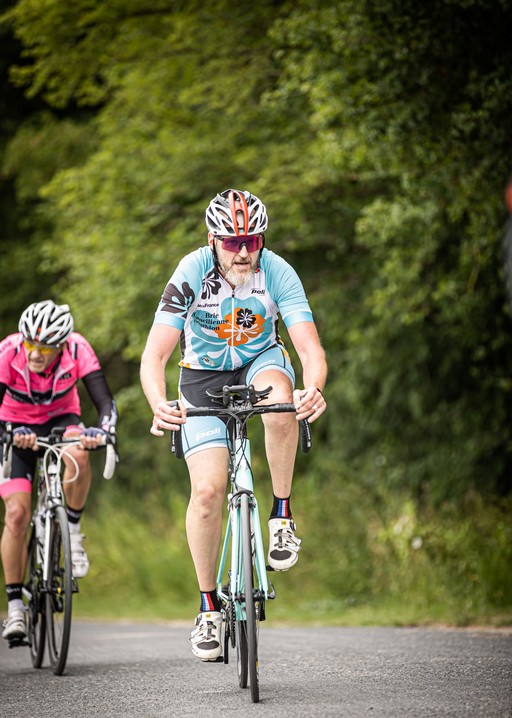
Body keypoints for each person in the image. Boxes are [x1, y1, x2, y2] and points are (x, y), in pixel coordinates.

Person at [140, 188, 327, 661]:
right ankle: (208, 607)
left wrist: (313, 387)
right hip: (201, 377)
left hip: (259, 362)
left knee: (282, 402)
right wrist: (158, 402)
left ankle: (281, 514)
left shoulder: (277, 271)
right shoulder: (191, 271)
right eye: (232, 242)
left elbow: (309, 349)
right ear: (212, 240)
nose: (243, 252)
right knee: (207, 492)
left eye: (252, 241)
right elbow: (155, 355)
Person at [0, 300, 117, 642]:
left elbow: (105, 402)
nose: (35, 354)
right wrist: (9, 433)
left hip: (61, 420)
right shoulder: (8, 351)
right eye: (31, 345)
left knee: (79, 453)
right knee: (17, 515)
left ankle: (73, 530)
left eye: (45, 348)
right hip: (14, 425)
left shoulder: (78, 348)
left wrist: (103, 431)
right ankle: (15, 607)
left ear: (62, 345)